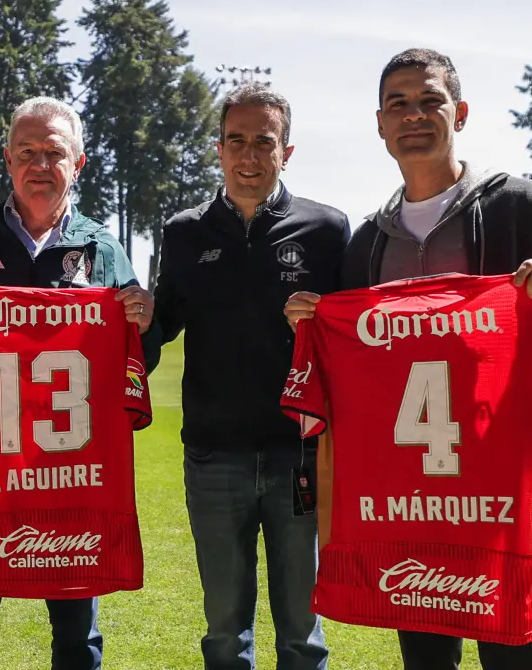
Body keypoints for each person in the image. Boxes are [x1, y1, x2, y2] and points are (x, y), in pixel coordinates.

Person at [285, 48, 532, 670]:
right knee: (426, 660)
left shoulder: (526, 207)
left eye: (429, 100)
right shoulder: (367, 243)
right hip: (407, 496)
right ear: (380, 125)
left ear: (459, 112)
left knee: (514, 653)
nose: (414, 115)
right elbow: (351, 367)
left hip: (499, 490)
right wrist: (314, 321)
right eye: (398, 105)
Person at [0, 96, 160, 670]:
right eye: (27, 152)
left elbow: (138, 362)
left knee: (77, 637)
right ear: (8, 160)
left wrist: (144, 319)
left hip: (73, 475)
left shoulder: (103, 248)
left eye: (54, 152)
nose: (40, 164)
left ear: (79, 163)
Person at [152, 81, 348, 670]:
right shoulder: (184, 232)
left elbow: (363, 340)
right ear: (218, 148)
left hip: (300, 459)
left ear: (287, 150)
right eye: (236, 140)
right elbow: (160, 327)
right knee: (224, 635)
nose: (249, 155)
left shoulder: (327, 229)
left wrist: (327, 322)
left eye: (265, 141)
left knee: (300, 635)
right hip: (213, 460)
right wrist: (126, 317)